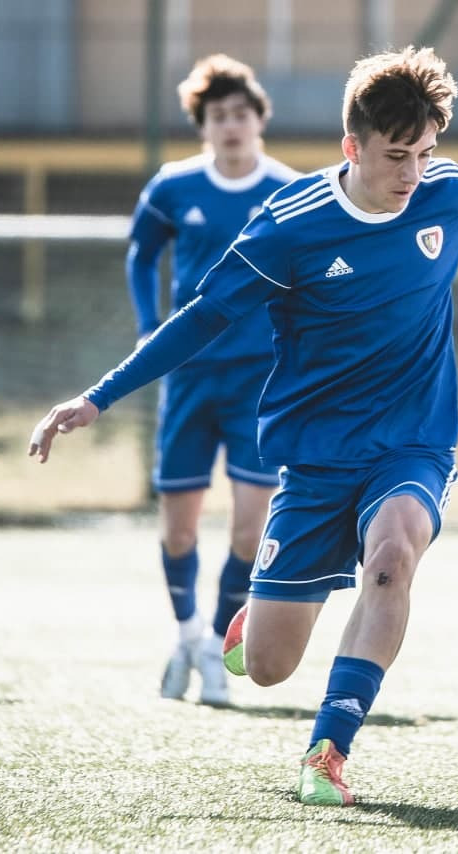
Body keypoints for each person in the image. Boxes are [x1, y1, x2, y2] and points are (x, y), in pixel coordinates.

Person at [29, 46, 458, 806]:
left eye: (424, 153)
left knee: (393, 557)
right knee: (269, 666)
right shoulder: (290, 225)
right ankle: (256, 618)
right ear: (352, 146)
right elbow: (202, 318)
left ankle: (328, 751)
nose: (413, 173)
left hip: (413, 443)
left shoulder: (446, 195)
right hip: (316, 460)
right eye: (396, 156)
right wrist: (98, 397)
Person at [129, 54, 300, 707]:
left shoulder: (288, 190)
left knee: (250, 533)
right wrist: (149, 327)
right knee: (178, 528)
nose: (230, 125)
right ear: (202, 126)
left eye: (240, 114)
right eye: (218, 116)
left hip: (260, 382)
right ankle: (186, 635)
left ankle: (215, 645)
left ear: (260, 119)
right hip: (189, 380)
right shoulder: (173, 187)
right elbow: (141, 254)